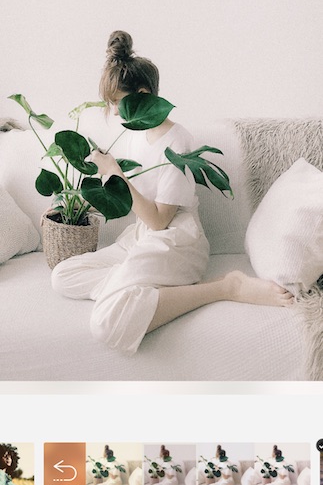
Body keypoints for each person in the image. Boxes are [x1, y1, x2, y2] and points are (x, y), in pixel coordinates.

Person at [52, 30, 293, 355]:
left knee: (107, 323)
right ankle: (133, 284)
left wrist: (117, 174)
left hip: (176, 243)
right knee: (63, 276)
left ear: (142, 94)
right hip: (139, 240)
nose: (113, 112)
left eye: (116, 102)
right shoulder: (136, 136)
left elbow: (159, 221)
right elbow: (128, 207)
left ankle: (226, 287)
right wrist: (67, 204)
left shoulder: (178, 141)